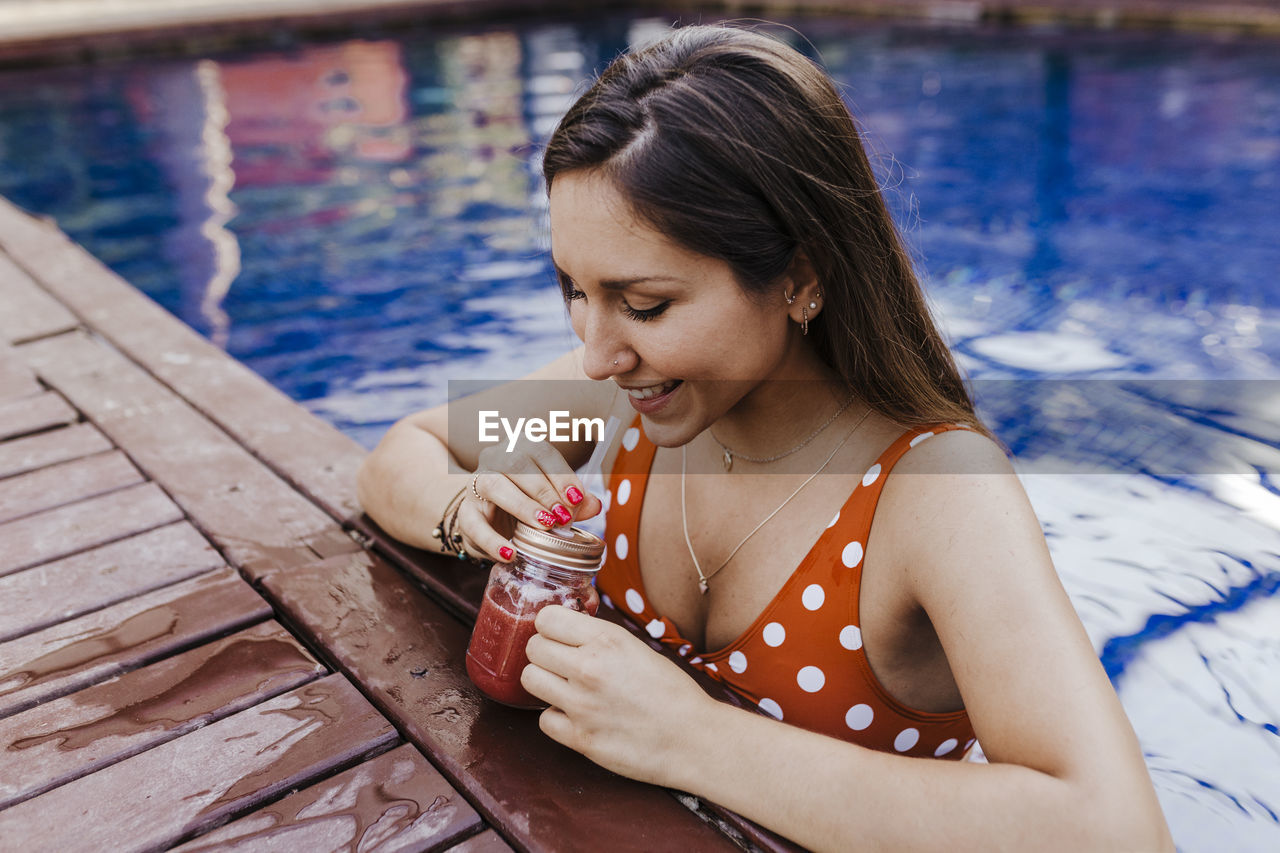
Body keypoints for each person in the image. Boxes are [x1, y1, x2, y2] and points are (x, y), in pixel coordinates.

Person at [357, 23, 1172, 851]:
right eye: (573, 287)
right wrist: (470, 511)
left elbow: (1115, 828)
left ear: (801, 277)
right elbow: (404, 452)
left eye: (644, 304)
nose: (598, 354)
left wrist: (695, 738)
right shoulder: (619, 394)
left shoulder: (940, 496)